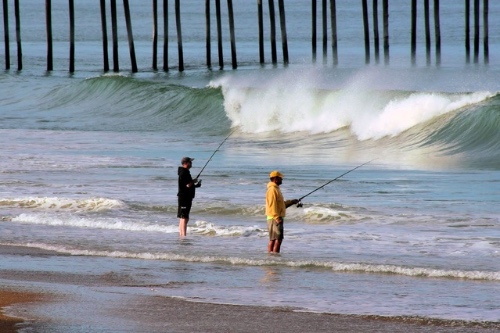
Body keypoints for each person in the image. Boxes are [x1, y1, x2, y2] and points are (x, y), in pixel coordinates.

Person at [265, 170, 299, 253]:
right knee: (278, 239)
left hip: (273, 217)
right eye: (280, 178)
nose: (282, 180)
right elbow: (272, 205)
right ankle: (274, 257)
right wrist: (277, 217)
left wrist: (292, 202)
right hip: (275, 217)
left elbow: (281, 205)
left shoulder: (275, 189)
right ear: (276, 179)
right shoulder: (273, 190)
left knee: (274, 239)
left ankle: (271, 257)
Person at [177, 157, 201, 237]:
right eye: (190, 162)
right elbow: (188, 185)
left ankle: (181, 235)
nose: (191, 164)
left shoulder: (184, 172)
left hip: (185, 197)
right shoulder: (184, 173)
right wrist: (193, 181)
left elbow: (186, 185)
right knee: (184, 217)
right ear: (186, 163)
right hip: (184, 197)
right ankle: (183, 236)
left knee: (183, 217)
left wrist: (196, 185)